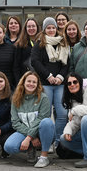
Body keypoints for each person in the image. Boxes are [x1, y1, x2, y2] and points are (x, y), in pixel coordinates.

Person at [31, 17, 69, 149]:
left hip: (59, 84)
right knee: (46, 115)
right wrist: (48, 76)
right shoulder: (39, 43)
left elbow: (66, 64)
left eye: (53, 27)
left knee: (62, 114)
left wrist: (60, 77)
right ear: (44, 29)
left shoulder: (63, 43)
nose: (51, 30)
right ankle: (47, 142)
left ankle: (59, 141)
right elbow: (35, 62)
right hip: (45, 83)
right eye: (49, 28)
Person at [4, 71, 54, 168]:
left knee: (47, 122)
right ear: (23, 82)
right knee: (9, 147)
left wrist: (29, 137)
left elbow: (42, 118)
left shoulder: (43, 98)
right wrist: (31, 137)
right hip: (25, 132)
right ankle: (31, 148)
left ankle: (44, 157)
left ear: (37, 84)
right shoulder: (15, 99)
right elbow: (15, 122)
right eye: (29, 81)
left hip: (41, 132)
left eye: (34, 82)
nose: (31, 84)